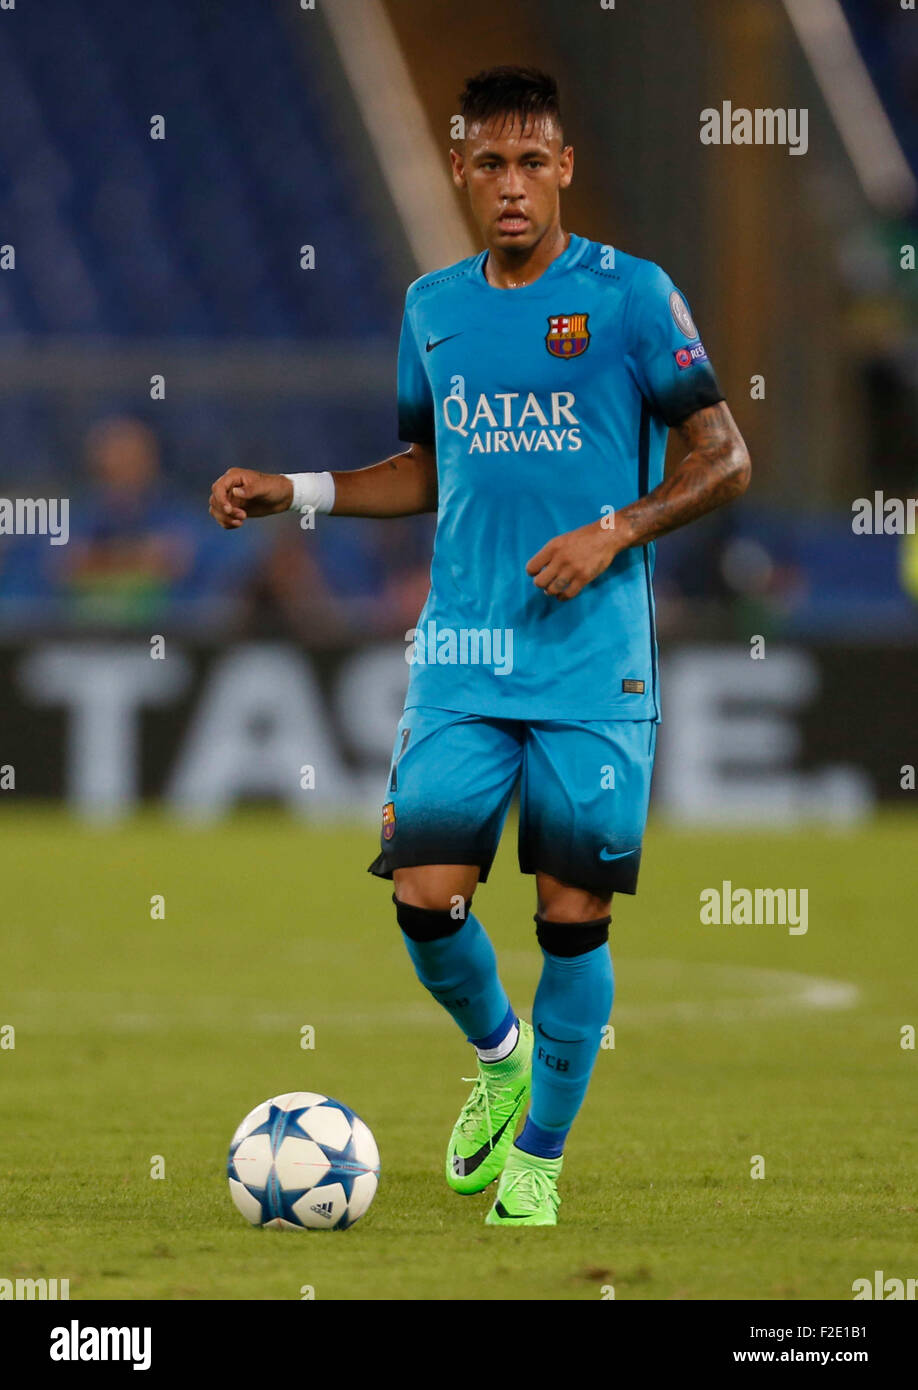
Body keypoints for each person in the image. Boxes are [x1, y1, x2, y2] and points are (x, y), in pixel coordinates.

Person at [208, 66, 751, 1226]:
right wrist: (292, 490)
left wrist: (616, 529)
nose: (511, 185)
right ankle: (499, 1054)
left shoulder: (634, 296)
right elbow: (427, 467)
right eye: (490, 163)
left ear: (564, 169)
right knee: (424, 895)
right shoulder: (433, 306)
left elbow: (726, 458)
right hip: (460, 651)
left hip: (591, 660)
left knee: (571, 915)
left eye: (532, 162)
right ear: (460, 170)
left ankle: (540, 1163)